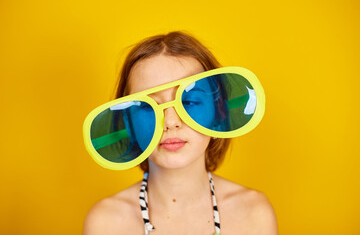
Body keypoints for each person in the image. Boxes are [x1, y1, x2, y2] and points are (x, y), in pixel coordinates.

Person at [83, 31, 278, 235]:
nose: (171, 122)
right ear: (128, 122)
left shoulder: (255, 214)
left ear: (219, 112)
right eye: (149, 106)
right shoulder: (105, 224)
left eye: (189, 101)